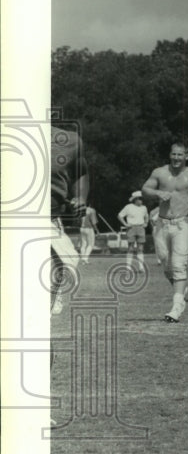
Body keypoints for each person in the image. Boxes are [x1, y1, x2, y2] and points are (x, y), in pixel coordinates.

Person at [142, 142, 188, 323]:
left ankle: (177, 306)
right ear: (170, 155)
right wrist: (157, 193)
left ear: (186, 156)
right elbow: (145, 189)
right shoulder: (159, 172)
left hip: (183, 223)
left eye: (180, 155)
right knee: (166, 265)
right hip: (162, 224)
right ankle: (180, 290)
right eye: (174, 154)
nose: (176, 158)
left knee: (179, 265)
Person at [50, 126, 88, 315]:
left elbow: (81, 172)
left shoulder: (70, 140)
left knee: (58, 270)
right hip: (10, 221)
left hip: (48, 219)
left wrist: (80, 197)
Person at [117, 191, 150, 271]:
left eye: (142, 199)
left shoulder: (144, 208)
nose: (141, 201)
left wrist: (146, 223)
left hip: (140, 228)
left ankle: (141, 267)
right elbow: (120, 216)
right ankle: (128, 267)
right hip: (131, 228)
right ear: (135, 199)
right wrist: (125, 224)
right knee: (130, 248)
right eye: (140, 199)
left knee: (140, 248)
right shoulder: (128, 207)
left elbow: (146, 217)